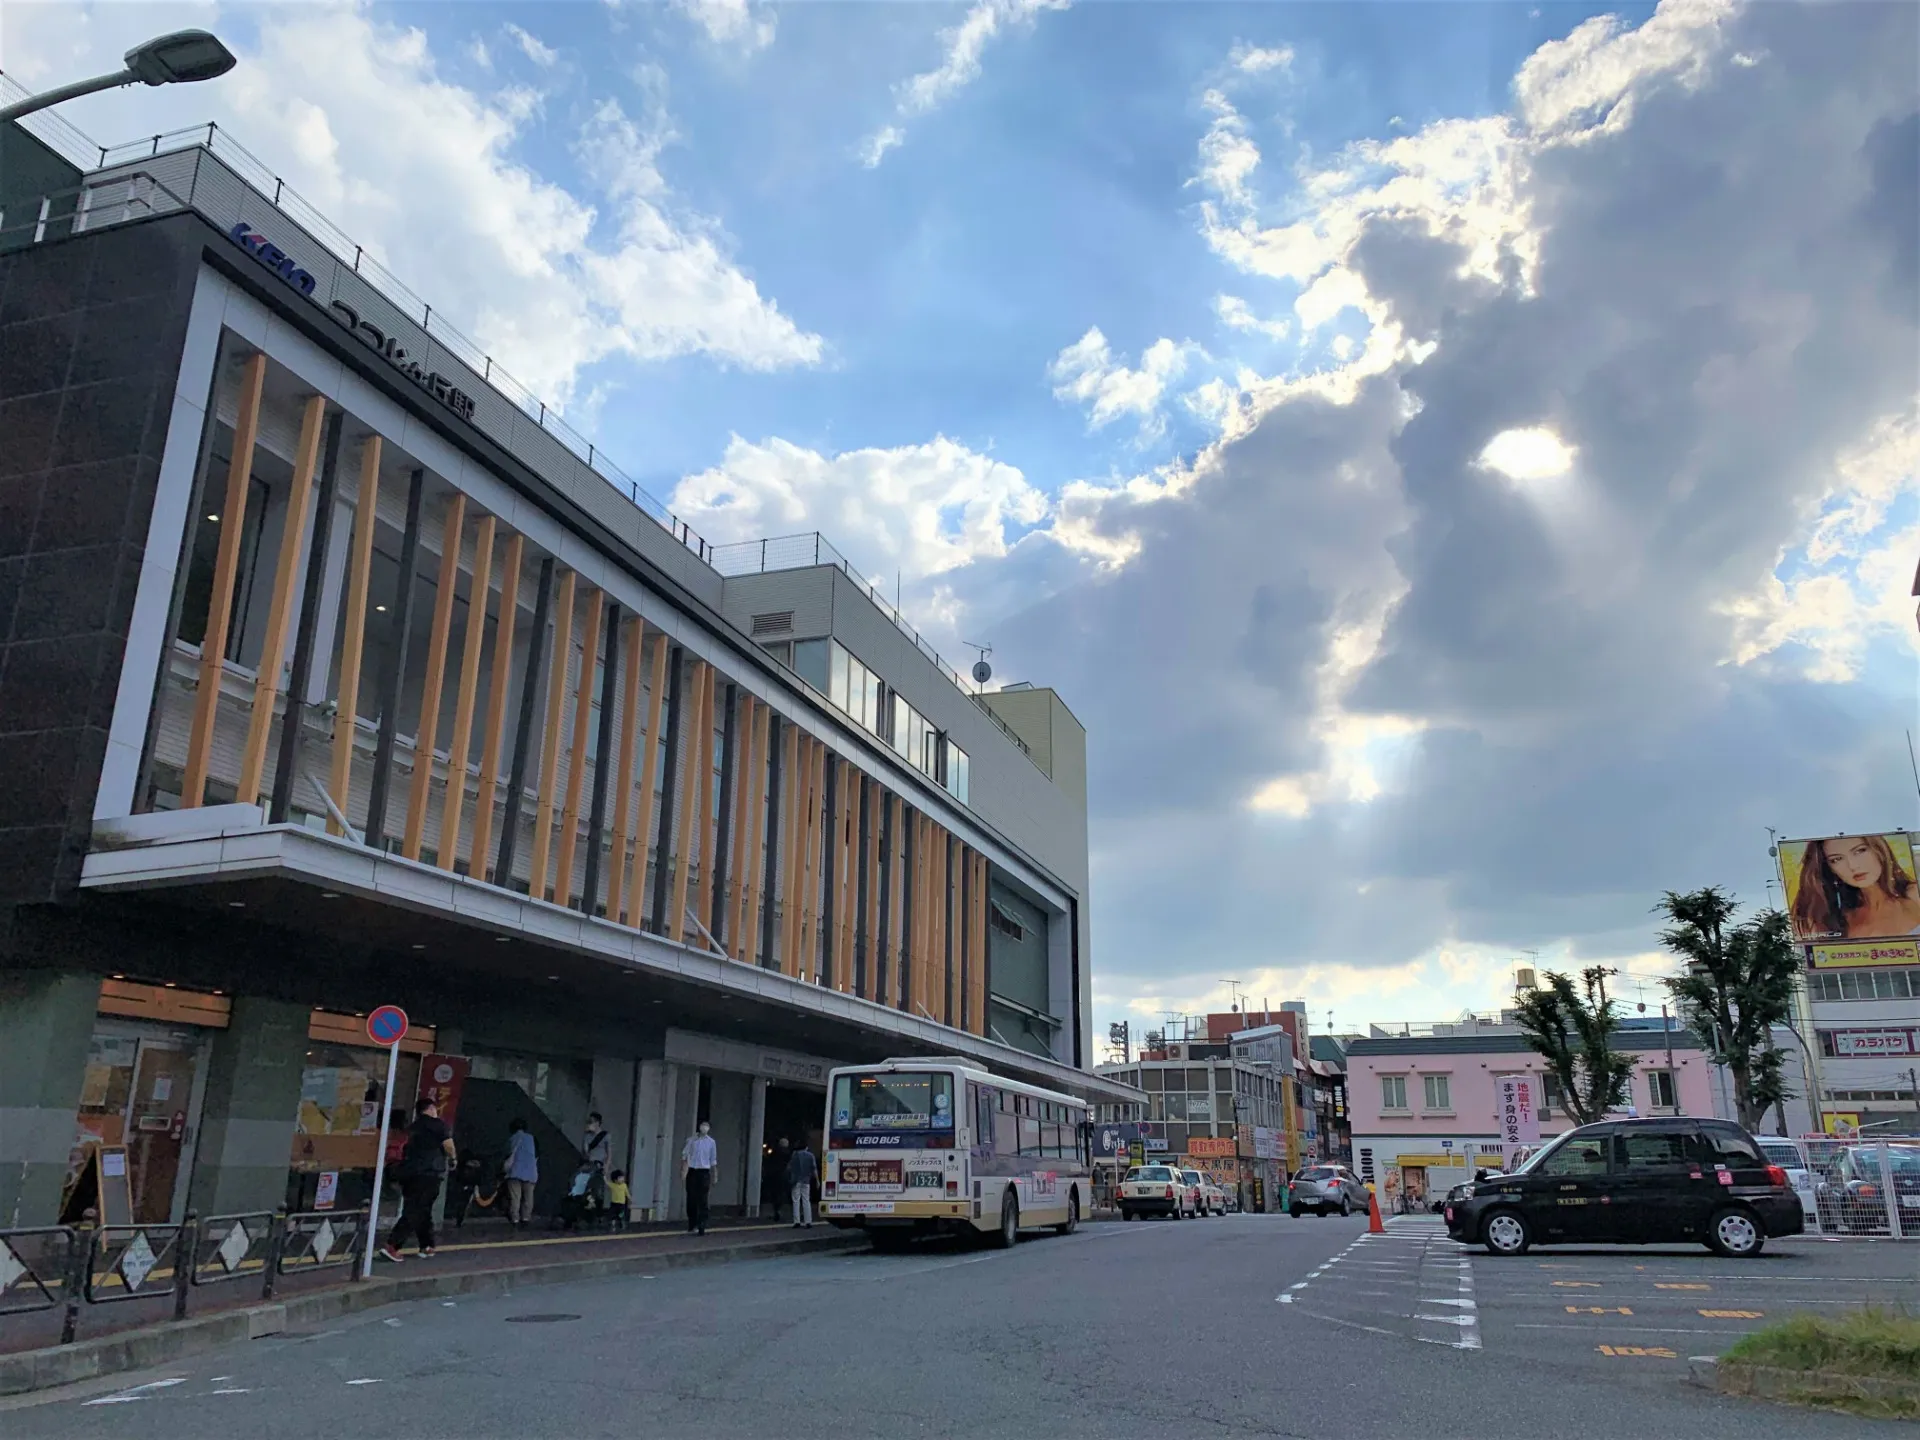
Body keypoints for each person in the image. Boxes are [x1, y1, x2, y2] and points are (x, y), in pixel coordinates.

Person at [1791, 834, 1920, 940]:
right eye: (1836, 859)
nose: (1852, 866)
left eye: (1860, 851)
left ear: (1879, 850)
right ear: (1830, 869)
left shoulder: (1913, 894)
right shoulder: (1836, 919)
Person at [381, 1097, 454, 1262]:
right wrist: (453, 1159)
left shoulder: (412, 1127)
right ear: (431, 1108)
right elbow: (449, 1146)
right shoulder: (439, 1125)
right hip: (429, 1173)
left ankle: (427, 1245)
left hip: (409, 1174)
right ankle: (392, 1245)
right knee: (415, 1210)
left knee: (422, 1208)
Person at [682, 1120, 717, 1235]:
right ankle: (692, 1223)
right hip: (692, 1171)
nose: (704, 1127)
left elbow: (713, 1160)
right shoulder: (691, 1140)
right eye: (703, 1125)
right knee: (691, 1198)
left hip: (704, 1172)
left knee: (703, 1199)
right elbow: (685, 1156)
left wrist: (714, 1175)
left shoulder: (711, 1142)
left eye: (706, 1126)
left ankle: (702, 1225)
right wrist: (684, 1171)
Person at [503, 1117, 538, 1229]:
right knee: (528, 1197)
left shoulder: (512, 1139)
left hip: (515, 1171)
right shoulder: (532, 1138)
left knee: (515, 1197)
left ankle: (515, 1219)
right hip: (530, 1172)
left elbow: (507, 1153)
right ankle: (526, 1218)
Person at [786, 1138, 818, 1229]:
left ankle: (797, 1221)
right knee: (806, 1200)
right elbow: (814, 1169)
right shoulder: (810, 1155)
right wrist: (817, 1180)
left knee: (796, 1200)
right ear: (806, 1147)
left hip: (795, 1180)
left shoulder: (795, 1155)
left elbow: (789, 1168)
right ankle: (808, 1221)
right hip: (806, 1180)